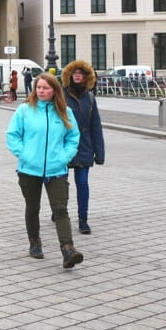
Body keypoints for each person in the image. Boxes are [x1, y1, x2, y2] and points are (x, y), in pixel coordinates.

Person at [6, 73, 83, 268]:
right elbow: (12, 135)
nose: (41, 91)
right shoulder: (25, 110)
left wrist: (64, 157)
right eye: (39, 87)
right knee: (33, 208)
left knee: (60, 209)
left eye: (46, 88)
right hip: (29, 169)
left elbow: (73, 137)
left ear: (54, 90)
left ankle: (68, 249)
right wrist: (25, 155)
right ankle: (34, 242)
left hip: (56, 169)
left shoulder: (64, 111)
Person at [62, 61, 105, 234]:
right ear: (70, 76)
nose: (77, 75)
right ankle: (59, 211)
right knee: (61, 183)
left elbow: (96, 126)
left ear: (86, 77)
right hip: (63, 145)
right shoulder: (61, 95)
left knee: (82, 183)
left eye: (81, 73)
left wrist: (99, 152)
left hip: (84, 145)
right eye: (75, 72)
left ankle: (83, 219)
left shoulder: (90, 98)